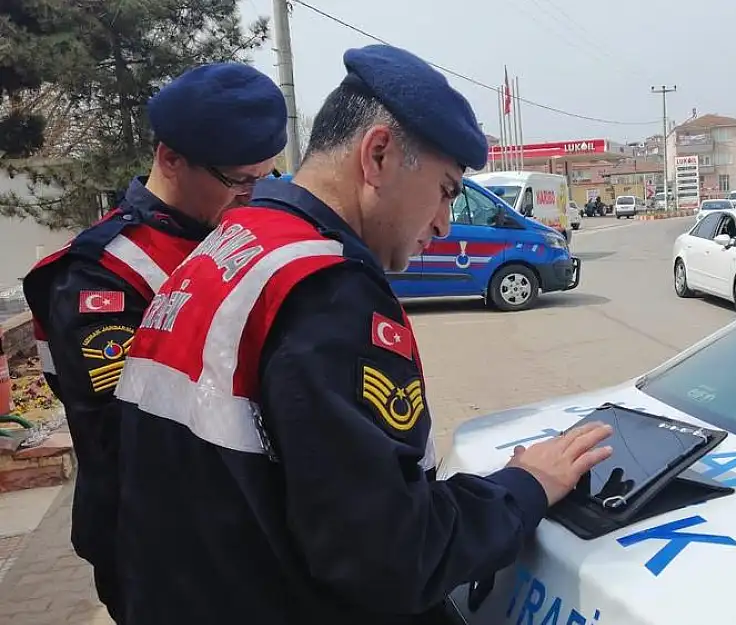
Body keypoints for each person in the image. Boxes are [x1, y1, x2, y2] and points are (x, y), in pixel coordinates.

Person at [111, 44, 614, 625]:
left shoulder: (236, 241)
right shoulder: (324, 292)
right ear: (376, 155)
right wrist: (526, 485)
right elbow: (390, 558)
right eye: (446, 189)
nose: (444, 224)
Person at [21, 63, 286, 622]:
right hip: (158, 550)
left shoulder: (234, 236)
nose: (253, 196)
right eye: (239, 180)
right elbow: (129, 439)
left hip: (240, 532)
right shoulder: (101, 277)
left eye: (265, 177)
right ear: (170, 158)